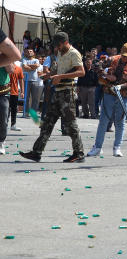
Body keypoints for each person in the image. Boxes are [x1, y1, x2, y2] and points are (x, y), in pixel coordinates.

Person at [20, 32, 85, 163]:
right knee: (47, 122)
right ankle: (36, 152)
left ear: (66, 42)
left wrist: (60, 77)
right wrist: (49, 75)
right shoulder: (60, 53)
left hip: (68, 91)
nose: (56, 48)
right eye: (55, 45)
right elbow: (60, 69)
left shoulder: (74, 53)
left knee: (70, 124)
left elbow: (81, 71)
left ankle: (79, 153)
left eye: (58, 45)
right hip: (59, 91)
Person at [89, 43, 127, 157]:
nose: (125, 58)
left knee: (120, 122)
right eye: (124, 55)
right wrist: (106, 75)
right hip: (109, 93)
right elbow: (96, 64)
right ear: (121, 51)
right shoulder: (112, 59)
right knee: (103, 121)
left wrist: (122, 86)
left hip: (125, 96)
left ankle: (117, 147)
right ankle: (97, 147)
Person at [21, 48, 42, 118]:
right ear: (26, 53)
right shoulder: (24, 60)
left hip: (35, 80)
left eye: (31, 51)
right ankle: (26, 112)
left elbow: (37, 65)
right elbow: (25, 67)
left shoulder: (36, 60)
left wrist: (29, 66)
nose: (29, 52)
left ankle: (34, 112)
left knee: (35, 98)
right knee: (26, 98)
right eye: (28, 51)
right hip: (26, 80)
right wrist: (33, 68)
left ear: (33, 53)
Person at [8, 62, 24, 131]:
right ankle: (4, 124)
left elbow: (21, 81)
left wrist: (22, 91)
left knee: (14, 109)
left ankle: (13, 124)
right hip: (4, 92)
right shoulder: (4, 68)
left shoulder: (19, 69)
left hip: (14, 92)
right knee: (5, 109)